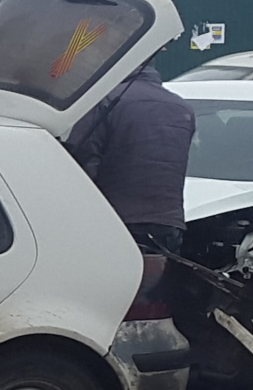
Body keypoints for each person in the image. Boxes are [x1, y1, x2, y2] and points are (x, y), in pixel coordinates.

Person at [68, 61, 196, 298]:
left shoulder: (106, 102)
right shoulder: (182, 107)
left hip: (116, 220)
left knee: (106, 298)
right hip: (169, 221)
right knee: (152, 301)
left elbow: (82, 159)